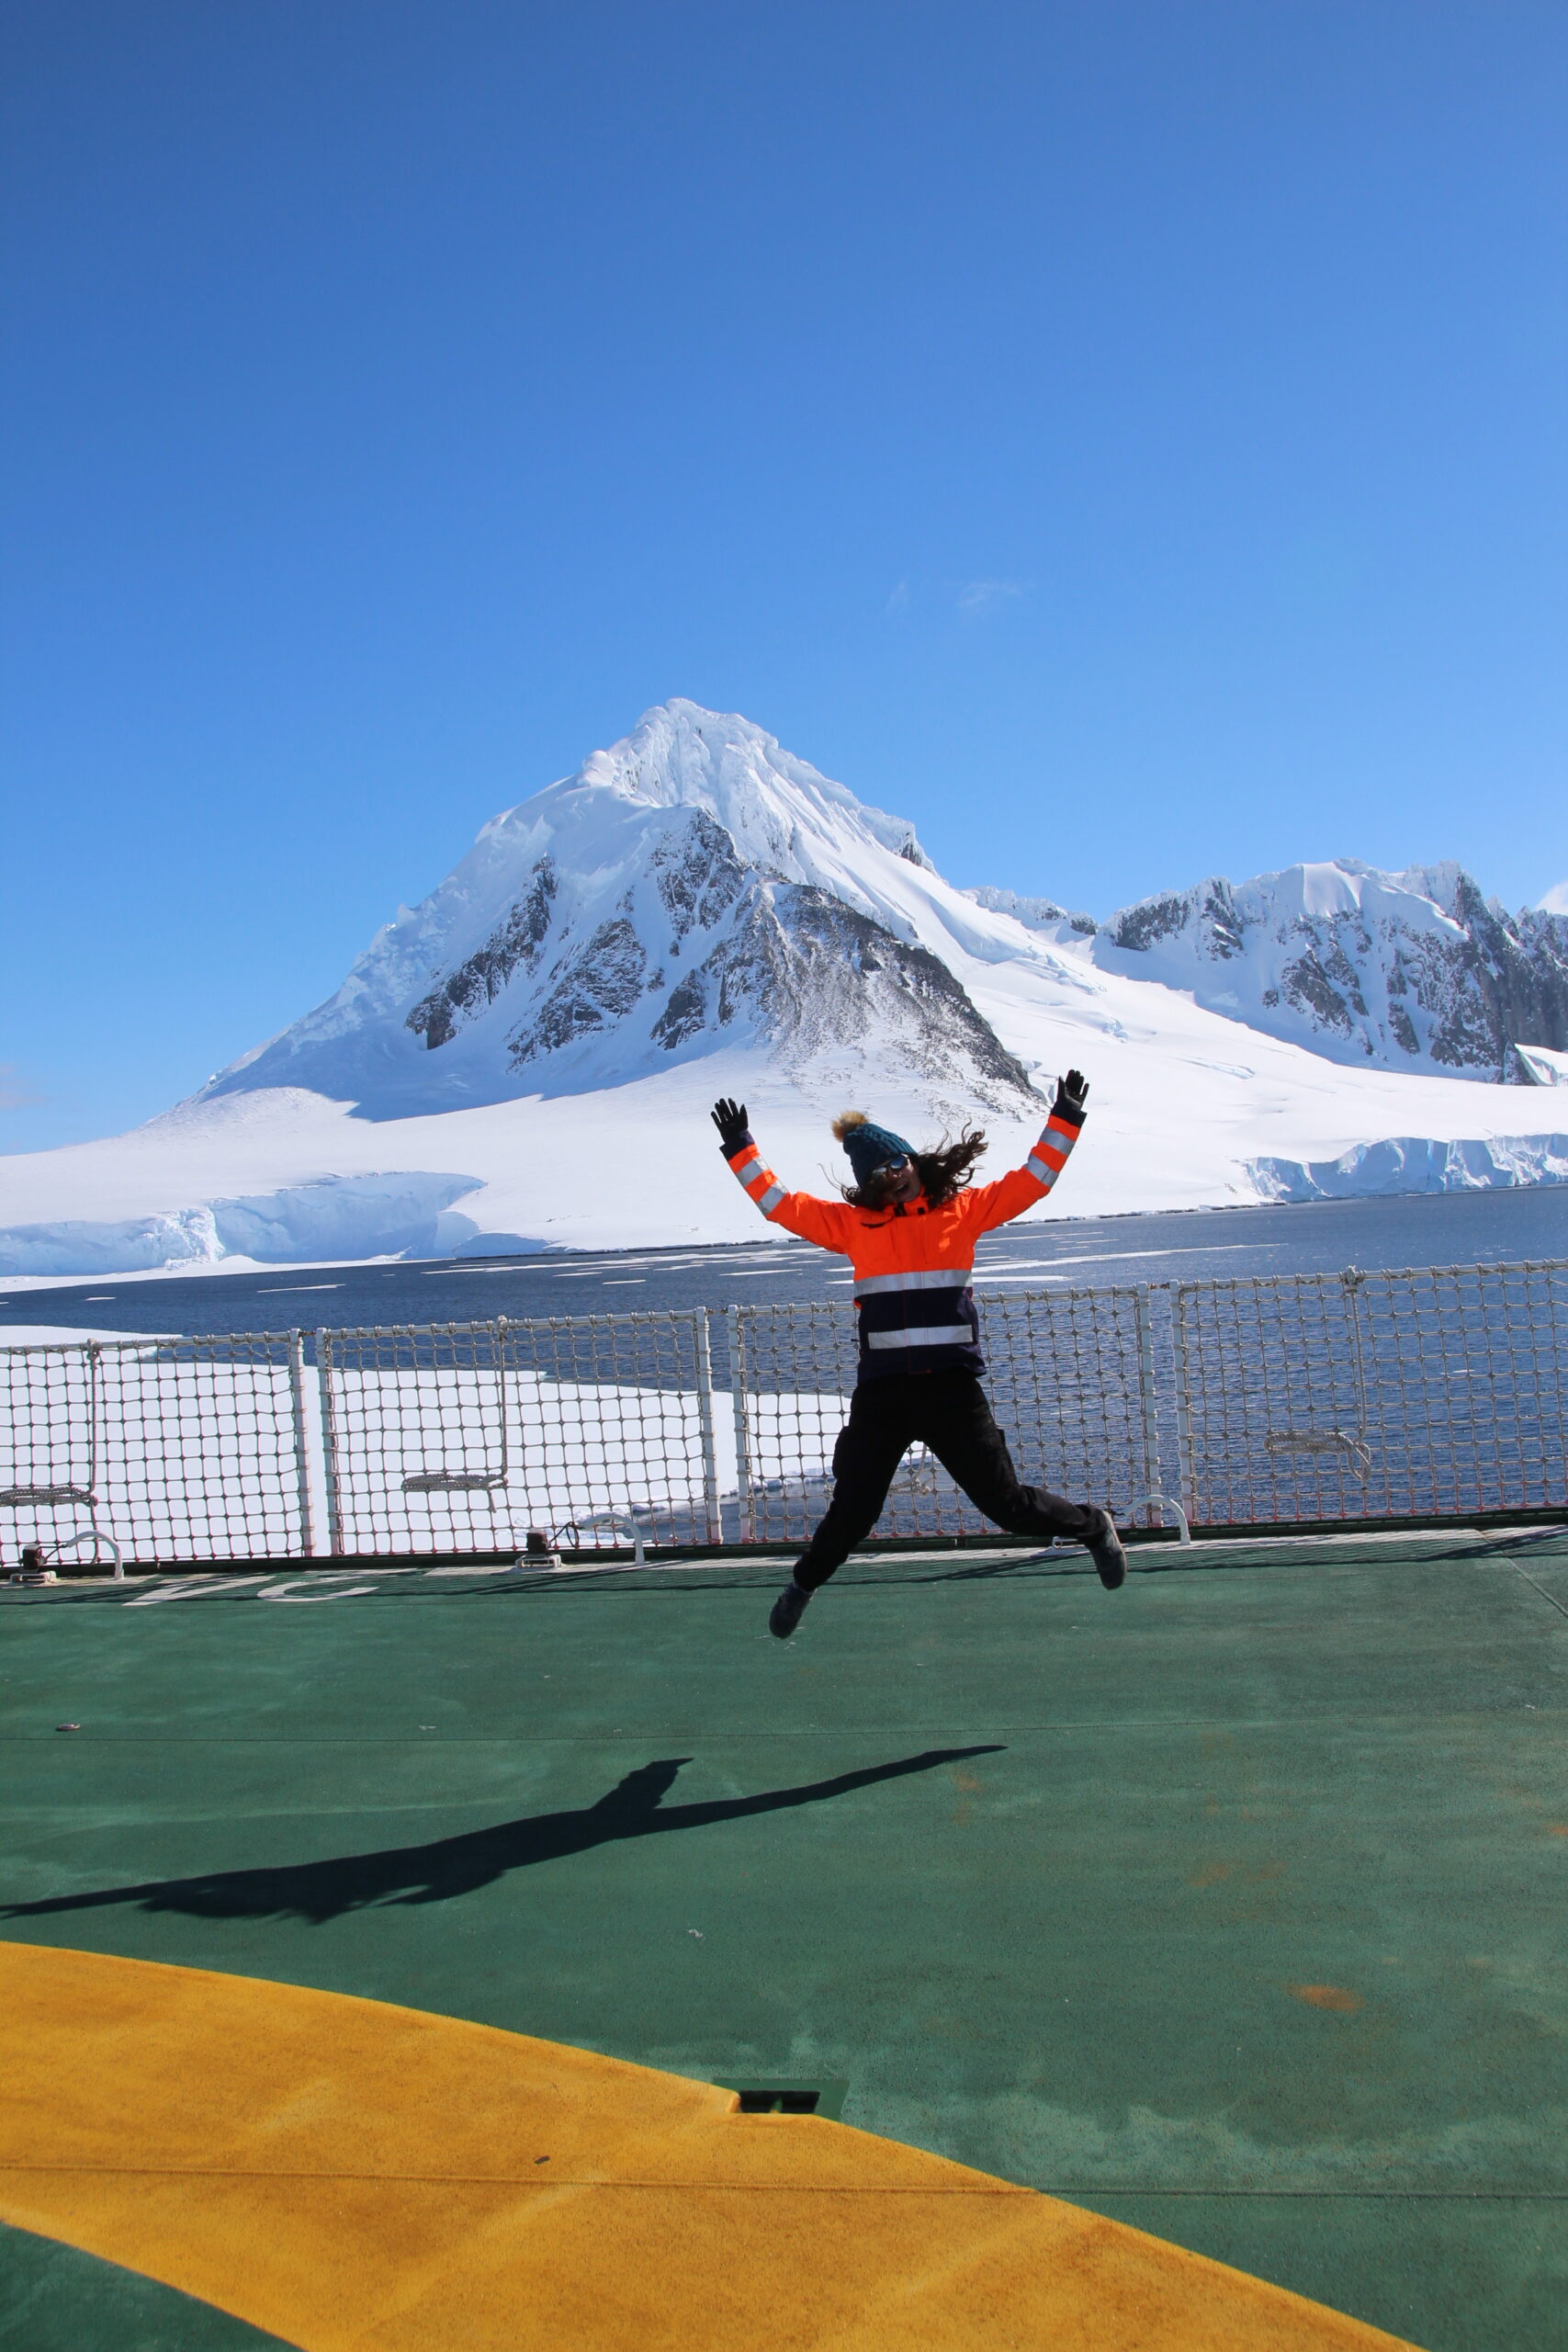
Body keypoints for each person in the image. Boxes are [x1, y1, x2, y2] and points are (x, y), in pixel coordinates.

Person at [710, 1078, 1127, 1637]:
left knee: (1007, 1506)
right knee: (854, 1512)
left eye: (899, 1159)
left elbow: (1033, 1182)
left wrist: (1064, 1119)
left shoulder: (963, 1211)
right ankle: (802, 1585)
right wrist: (742, 1149)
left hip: (951, 1391)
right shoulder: (853, 1227)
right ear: (869, 1186)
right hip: (885, 1395)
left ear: (912, 1158)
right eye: (882, 1171)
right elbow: (780, 1205)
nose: (896, 1172)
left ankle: (1093, 1527)